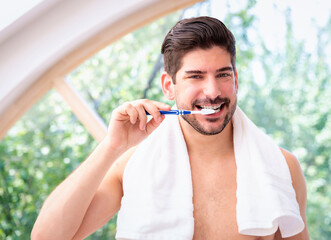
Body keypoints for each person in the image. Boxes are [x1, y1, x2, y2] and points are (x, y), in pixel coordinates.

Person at [32, 16, 309, 240]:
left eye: (222, 75)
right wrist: (111, 146)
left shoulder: (281, 167)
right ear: (168, 86)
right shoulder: (131, 164)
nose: (212, 91)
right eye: (196, 76)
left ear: (235, 79)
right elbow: (47, 237)